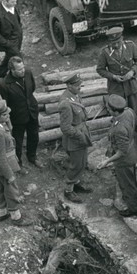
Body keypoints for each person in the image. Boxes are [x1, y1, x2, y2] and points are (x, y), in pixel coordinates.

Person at [97, 95, 137, 217]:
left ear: (115, 111)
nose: (107, 110)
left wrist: (107, 161)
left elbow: (122, 152)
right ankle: (133, 202)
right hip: (133, 151)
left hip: (125, 160)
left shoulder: (120, 129)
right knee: (131, 181)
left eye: (109, 109)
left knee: (127, 185)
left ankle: (134, 209)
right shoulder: (128, 112)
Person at [0, 101, 28, 225]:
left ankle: (1, 212)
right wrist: (9, 175)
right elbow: (0, 157)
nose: (8, 117)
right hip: (4, 165)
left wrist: (5, 120)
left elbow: (8, 129)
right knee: (11, 189)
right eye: (5, 115)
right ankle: (16, 217)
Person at [0, 56, 41, 169]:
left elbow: (32, 89)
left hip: (32, 112)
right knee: (18, 141)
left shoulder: (28, 73)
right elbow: (5, 104)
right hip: (17, 118)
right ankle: (18, 163)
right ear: (12, 70)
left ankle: (32, 157)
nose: (23, 70)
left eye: (23, 67)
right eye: (19, 69)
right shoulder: (4, 84)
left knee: (34, 136)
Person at [57, 74, 93, 203]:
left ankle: (76, 183)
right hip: (74, 139)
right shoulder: (65, 103)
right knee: (76, 165)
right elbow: (66, 128)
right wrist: (80, 135)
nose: (80, 88)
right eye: (77, 86)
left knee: (82, 162)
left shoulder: (75, 95)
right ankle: (68, 190)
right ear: (69, 86)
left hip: (81, 133)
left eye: (80, 85)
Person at [96, 26, 137, 116]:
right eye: (113, 43)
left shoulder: (131, 46)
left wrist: (132, 71)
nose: (116, 45)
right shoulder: (104, 53)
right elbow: (100, 69)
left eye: (118, 42)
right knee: (119, 113)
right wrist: (113, 76)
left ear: (122, 38)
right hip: (116, 88)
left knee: (136, 111)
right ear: (109, 42)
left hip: (132, 85)